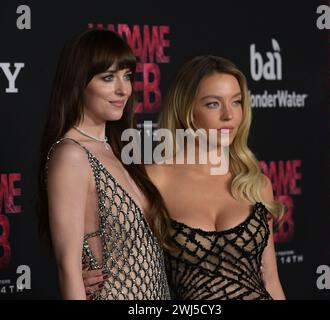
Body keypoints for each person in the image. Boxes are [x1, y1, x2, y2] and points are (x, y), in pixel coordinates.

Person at [83, 55, 286, 300]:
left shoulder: (255, 184)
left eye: (236, 102)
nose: (229, 115)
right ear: (187, 110)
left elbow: (271, 280)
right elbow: (115, 257)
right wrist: (87, 274)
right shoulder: (152, 181)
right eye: (213, 104)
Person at [37, 29, 170, 300]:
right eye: (108, 77)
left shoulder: (120, 149)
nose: (123, 89)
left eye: (127, 76)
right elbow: (68, 268)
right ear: (79, 83)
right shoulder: (72, 155)